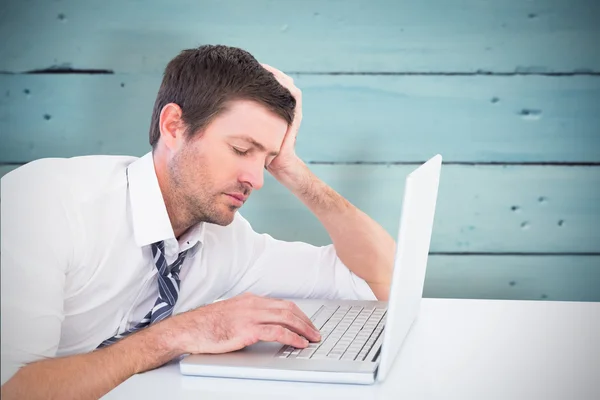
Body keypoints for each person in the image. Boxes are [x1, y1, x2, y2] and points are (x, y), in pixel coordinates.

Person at [0, 44, 395, 399]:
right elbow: (12, 389)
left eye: (267, 158)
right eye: (242, 149)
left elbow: (382, 280)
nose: (256, 179)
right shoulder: (45, 203)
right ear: (174, 126)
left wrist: (293, 171)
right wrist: (176, 334)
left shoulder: (228, 242)